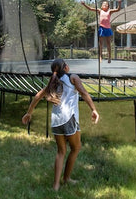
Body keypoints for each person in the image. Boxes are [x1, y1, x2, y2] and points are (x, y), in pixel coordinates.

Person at [21, 59, 100, 191]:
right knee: (76, 148)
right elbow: (84, 93)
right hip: (69, 118)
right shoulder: (73, 78)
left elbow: (38, 96)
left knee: (61, 152)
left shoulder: (53, 82)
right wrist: (94, 109)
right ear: (66, 68)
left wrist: (29, 112)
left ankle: (56, 185)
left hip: (56, 120)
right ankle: (66, 178)